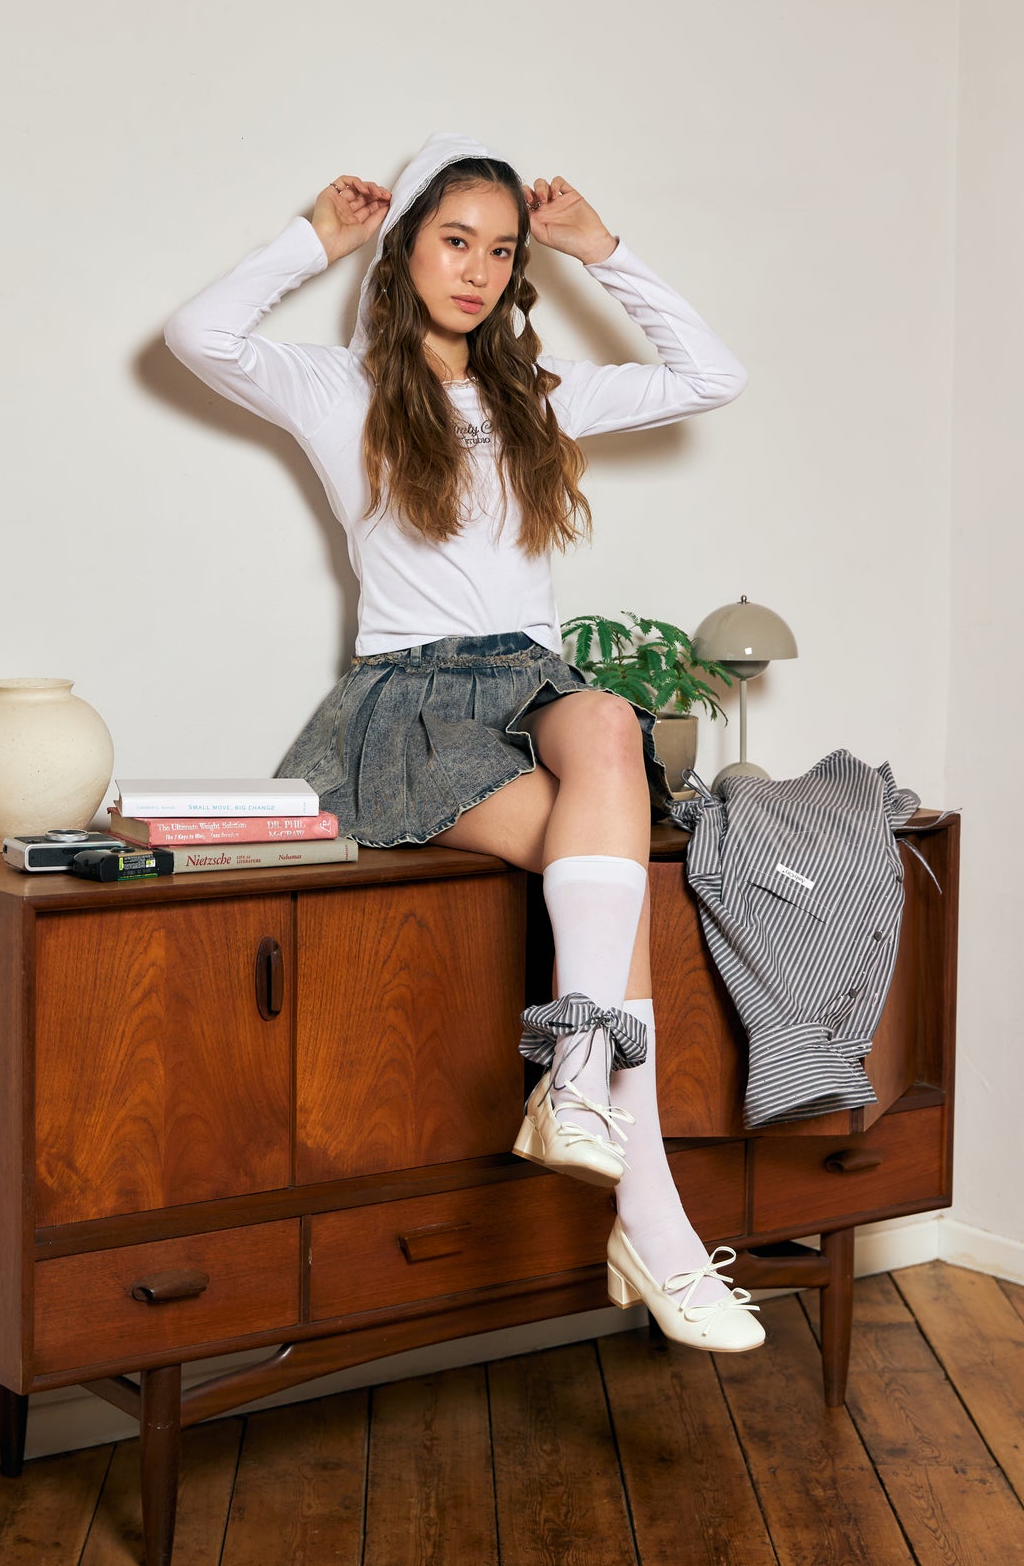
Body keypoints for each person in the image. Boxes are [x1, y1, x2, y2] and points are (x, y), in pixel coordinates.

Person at [162, 130, 764, 1350]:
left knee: (606, 718)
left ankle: (577, 1080)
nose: (479, 270)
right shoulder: (338, 390)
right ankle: (654, 1226)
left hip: (534, 686)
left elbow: (713, 375)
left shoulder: (537, 397)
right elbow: (198, 336)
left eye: (500, 251)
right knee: (612, 882)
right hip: (413, 701)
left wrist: (601, 250)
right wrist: (313, 241)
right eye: (454, 241)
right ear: (404, 252)